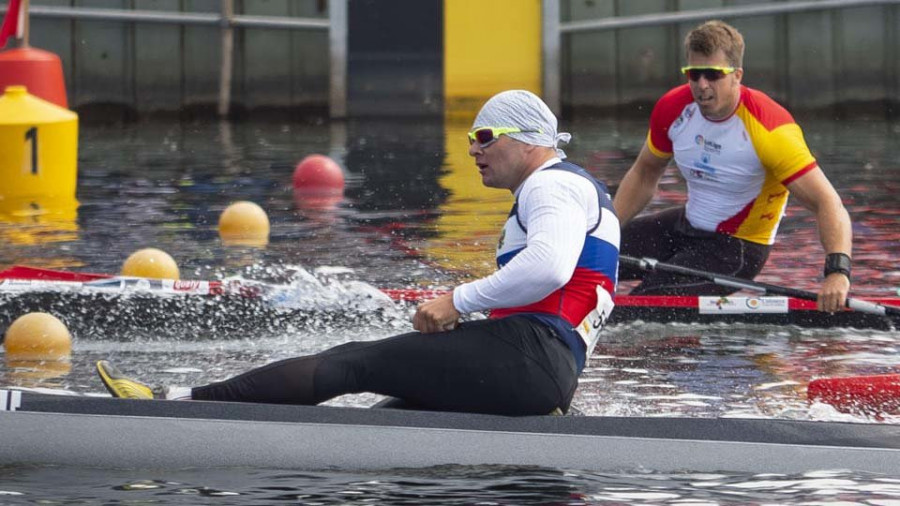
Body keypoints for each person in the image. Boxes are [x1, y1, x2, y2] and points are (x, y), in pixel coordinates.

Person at [97, 90, 620, 416]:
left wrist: (456, 301)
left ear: (529, 141)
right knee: (392, 412)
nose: (473, 150)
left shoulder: (549, 186)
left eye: (485, 137)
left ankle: (179, 403)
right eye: (470, 139)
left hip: (530, 359)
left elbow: (548, 267)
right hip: (540, 369)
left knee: (352, 363)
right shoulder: (572, 189)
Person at [613, 19, 852, 313]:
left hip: (736, 249)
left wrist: (837, 272)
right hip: (685, 226)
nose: (701, 85)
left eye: (713, 74)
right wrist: (604, 231)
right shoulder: (673, 108)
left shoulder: (771, 129)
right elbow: (644, 173)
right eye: (694, 74)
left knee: (641, 307)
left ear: (737, 75)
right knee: (580, 257)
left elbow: (827, 202)